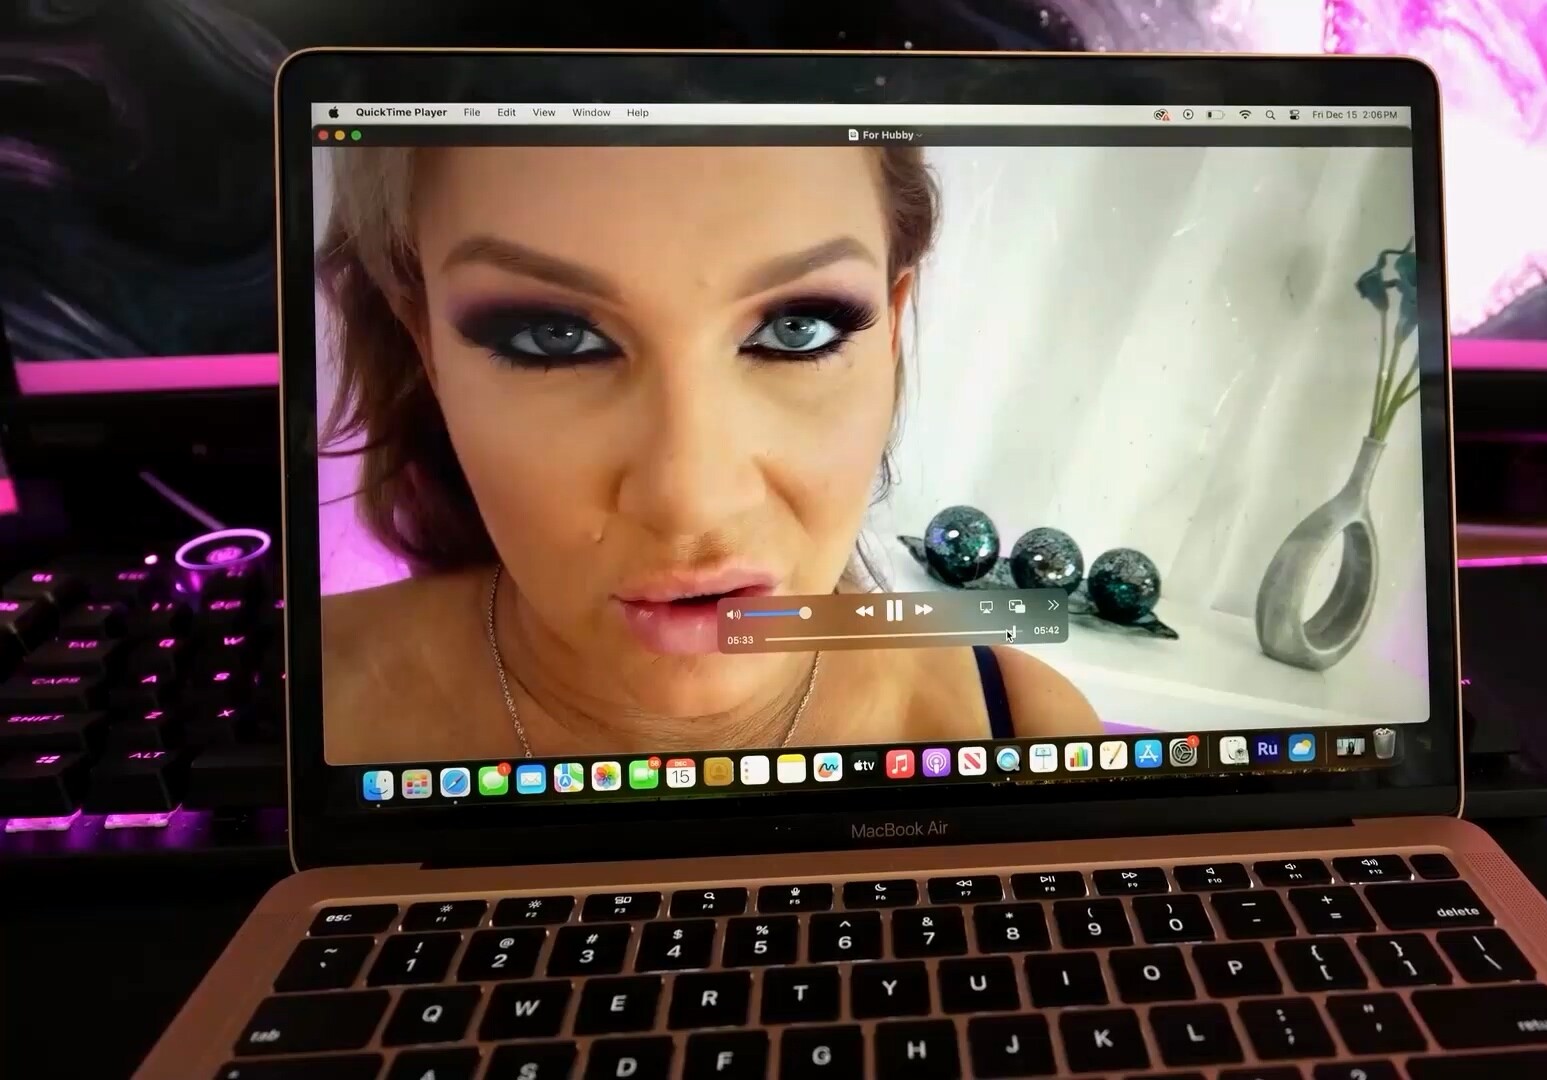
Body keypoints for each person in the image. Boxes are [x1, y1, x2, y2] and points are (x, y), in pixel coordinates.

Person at [317, 144, 1099, 764]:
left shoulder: (1027, 730)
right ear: (428, 350)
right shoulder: (295, 712)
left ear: (890, 332)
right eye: (555, 337)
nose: (692, 502)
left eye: (797, 329)